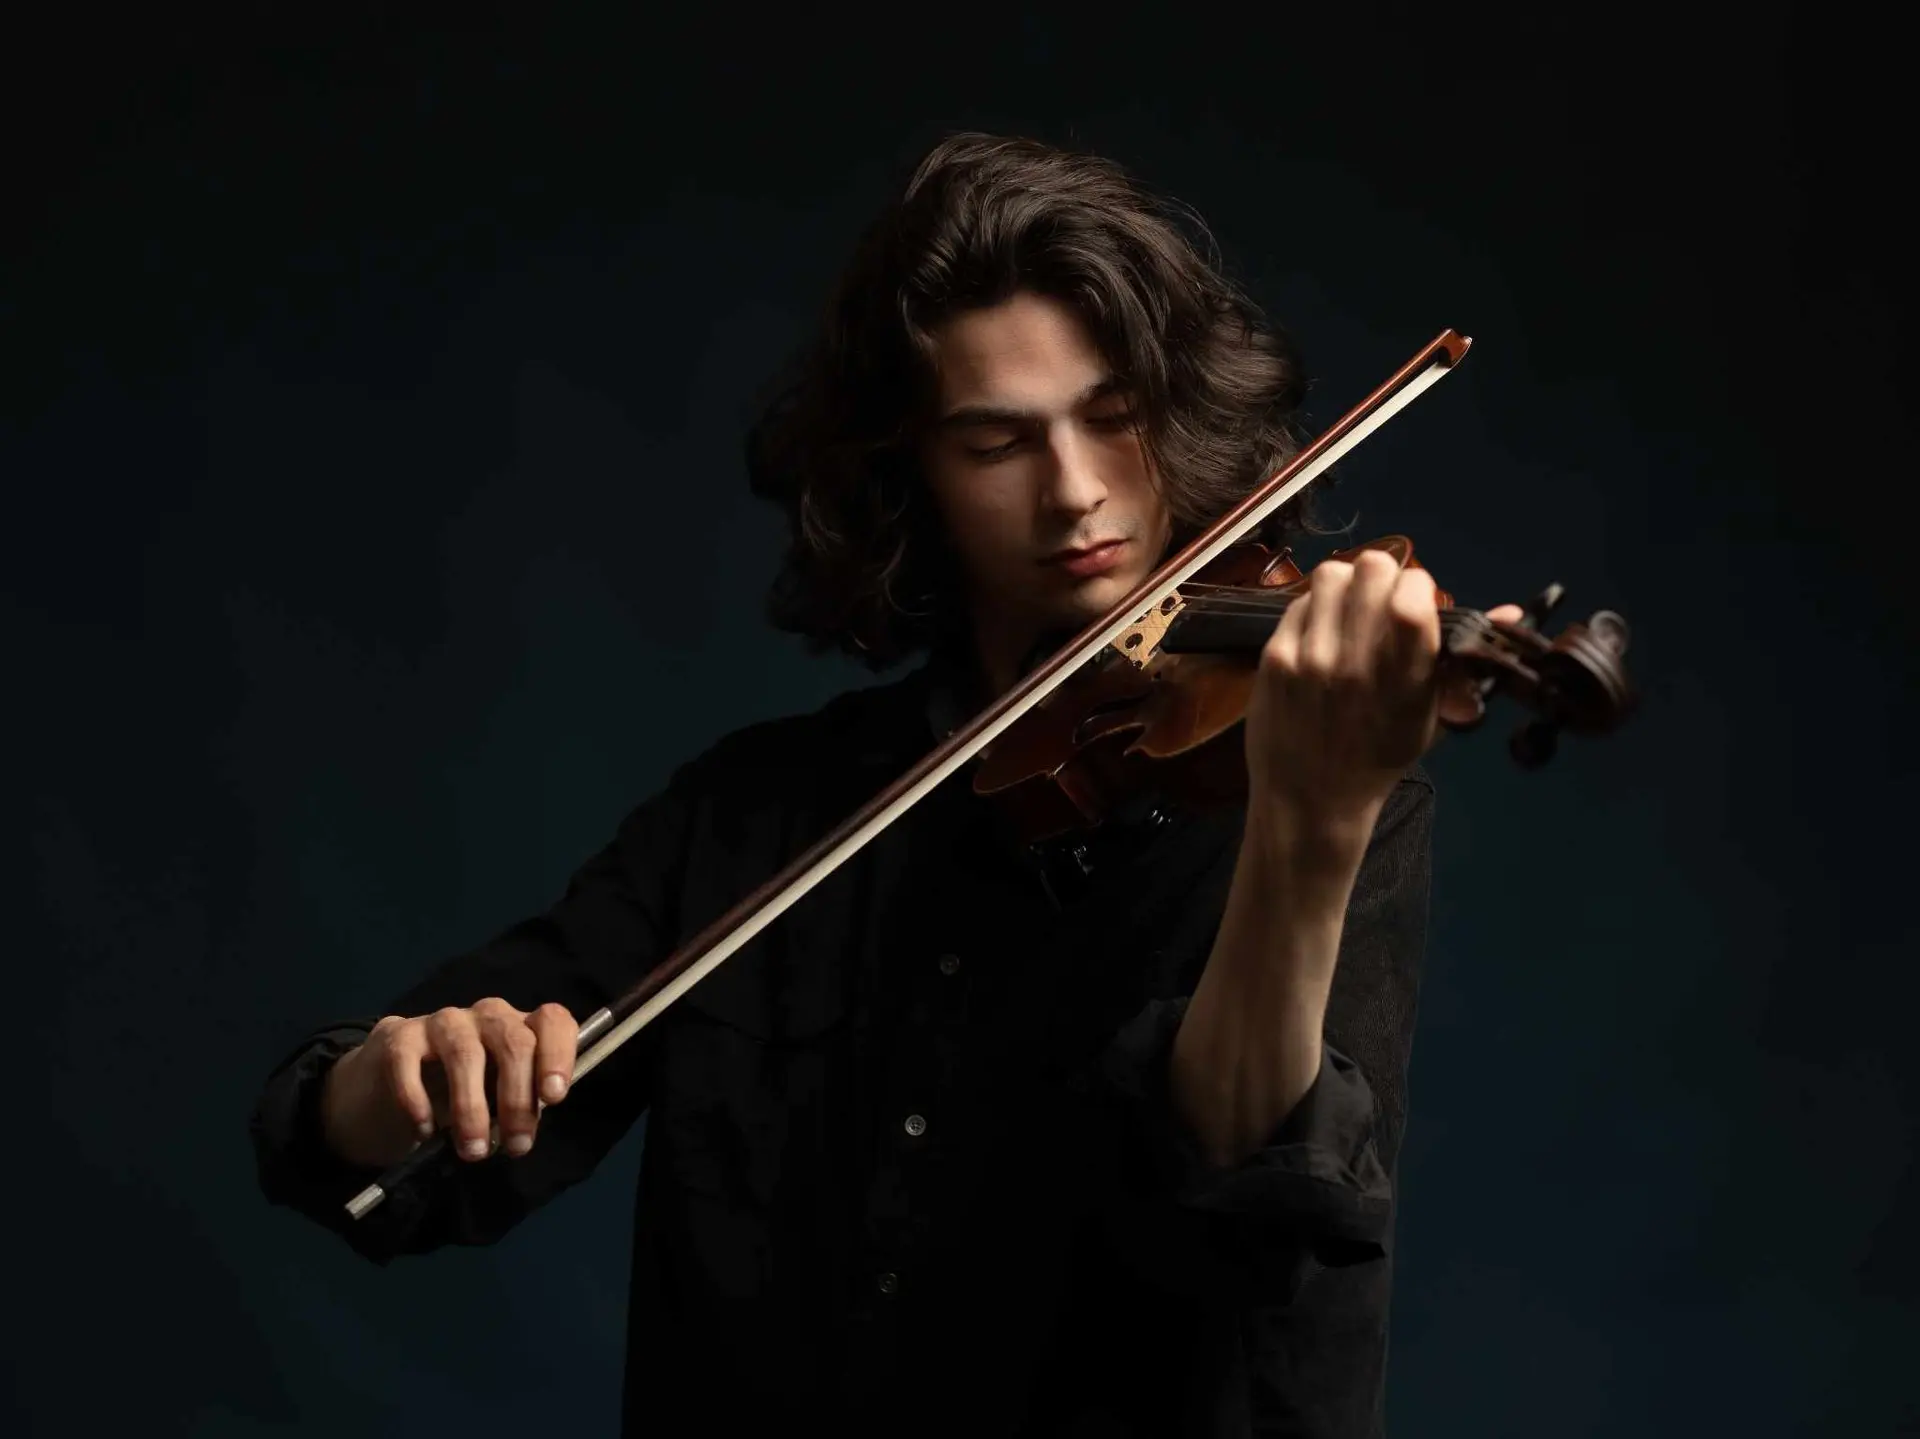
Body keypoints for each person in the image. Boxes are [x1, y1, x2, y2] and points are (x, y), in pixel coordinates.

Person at [250, 131, 1520, 1437]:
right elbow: (358, 1147)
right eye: (995, 443)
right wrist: (396, 1078)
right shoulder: (753, 817)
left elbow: (1258, 1203)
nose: (1076, 490)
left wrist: (1307, 827)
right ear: (907, 472)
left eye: (1115, 417)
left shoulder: (1312, 793)